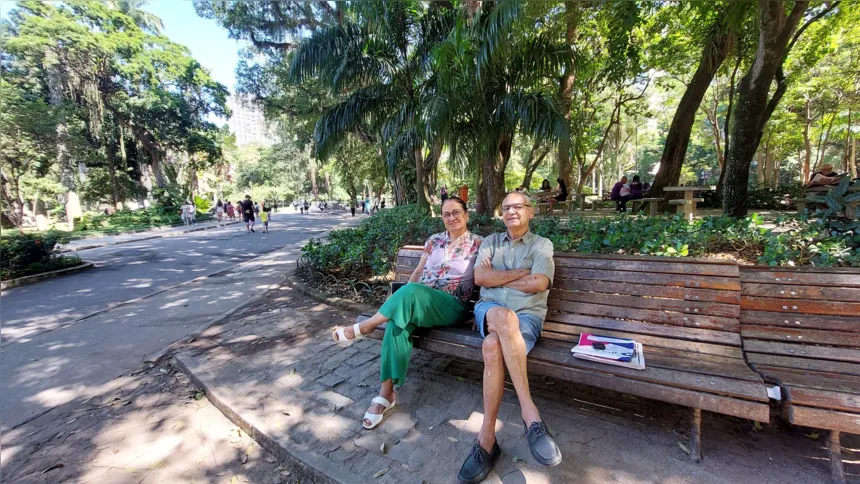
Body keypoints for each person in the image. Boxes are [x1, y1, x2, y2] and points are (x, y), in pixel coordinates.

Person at [331, 197, 482, 430]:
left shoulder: (479, 244)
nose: (451, 217)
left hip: (451, 306)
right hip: (417, 301)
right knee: (396, 325)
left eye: (456, 212)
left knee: (407, 299)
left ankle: (367, 326)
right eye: (446, 214)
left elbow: (487, 280)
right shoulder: (434, 241)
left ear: (466, 215)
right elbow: (418, 272)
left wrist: (480, 312)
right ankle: (386, 394)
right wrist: (400, 296)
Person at [457, 192, 560, 484]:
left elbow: (540, 282)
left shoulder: (542, 245)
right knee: (502, 317)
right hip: (489, 312)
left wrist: (499, 276)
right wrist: (519, 274)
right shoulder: (490, 243)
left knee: (492, 345)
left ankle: (486, 440)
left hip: (527, 318)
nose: (511, 211)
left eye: (518, 206)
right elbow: (480, 278)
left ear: (531, 212)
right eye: (506, 208)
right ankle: (531, 416)